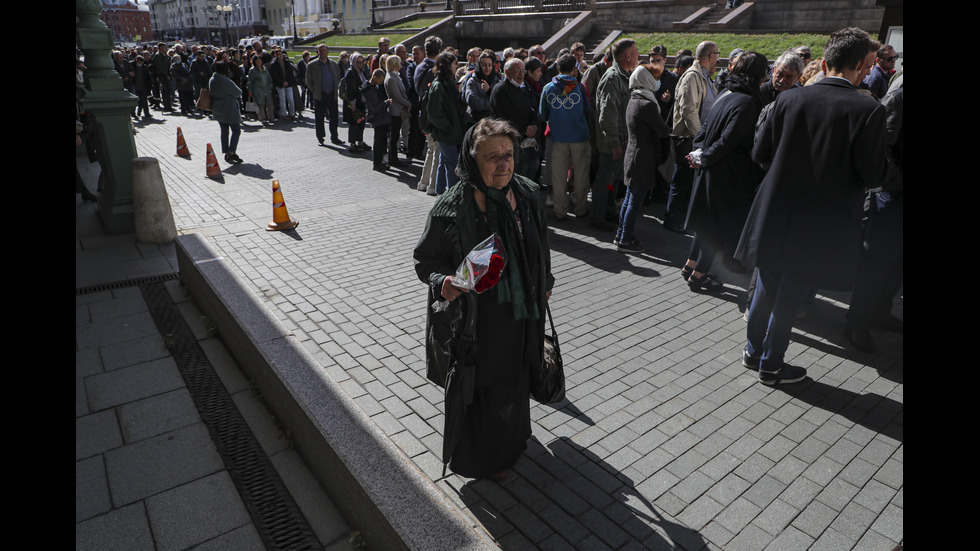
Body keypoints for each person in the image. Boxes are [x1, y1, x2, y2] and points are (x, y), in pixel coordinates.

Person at [735, 27, 886, 385]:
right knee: (790, 291)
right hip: (819, 219)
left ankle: (753, 351)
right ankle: (771, 365)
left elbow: (760, 154)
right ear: (864, 66)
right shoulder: (868, 110)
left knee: (768, 283)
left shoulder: (787, 99)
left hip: (776, 208)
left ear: (822, 62)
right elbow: (872, 174)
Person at [413, 117, 554, 481]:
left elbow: (540, 244)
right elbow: (425, 260)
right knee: (483, 389)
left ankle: (515, 440)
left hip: (522, 312)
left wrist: (546, 279)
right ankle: (482, 461)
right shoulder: (452, 206)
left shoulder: (525, 193)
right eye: (493, 157)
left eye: (509, 154)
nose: (504, 163)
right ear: (473, 159)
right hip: (478, 322)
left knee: (516, 378)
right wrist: (441, 280)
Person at [681, 51, 769, 290]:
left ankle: (691, 264)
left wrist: (697, 154)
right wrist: (704, 157)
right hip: (727, 174)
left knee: (706, 224)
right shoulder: (748, 102)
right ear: (759, 76)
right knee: (716, 227)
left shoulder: (727, 94)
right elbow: (729, 141)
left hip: (710, 169)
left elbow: (705, 129)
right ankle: (699, 275)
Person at [843, 85, 903, 353]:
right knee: (877, 262)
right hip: (893, 197)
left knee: (898, 263)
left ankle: (879, 311)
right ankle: (856, 322)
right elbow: (881, 147)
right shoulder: (899, 98)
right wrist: (898, 182)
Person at [612, 63, 672, 253]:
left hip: (633, 155)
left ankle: (621, 234)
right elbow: (662, 130)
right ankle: (625, 240)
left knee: (630, 198)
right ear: (645, 79)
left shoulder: (635, 98)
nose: (656, 81)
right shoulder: (646, 104)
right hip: (642, 158)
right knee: (634, 202)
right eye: (653, 77)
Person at [665, 41, 720, 233]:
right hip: (689, 138)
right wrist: (699, 140)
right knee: (682, 180)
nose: (718, 61)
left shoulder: (704, 77)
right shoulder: (692, 76)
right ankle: (673, 219)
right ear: (711, 56)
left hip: (696, 138)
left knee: (688, 180)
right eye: (717, 56)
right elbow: (689, 111)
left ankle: (682, 218)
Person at [592, 38, 640, 232]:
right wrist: (614, 143)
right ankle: (597, 216)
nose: (639, 56)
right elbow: (607, 115)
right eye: (636, 52)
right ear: (627, 56)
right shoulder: (613, 77)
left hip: (620, 140)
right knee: (605, 181)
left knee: (613, 180)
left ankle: (609, 211)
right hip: (612, 143)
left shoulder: (623, 75)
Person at [539, 53, 591, 220]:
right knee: (581, 175)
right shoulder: (580, 88)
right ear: (574, 69)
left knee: (558, 176)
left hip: (557, 137)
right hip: (580, 137)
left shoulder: (548, 88)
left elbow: (542, 114)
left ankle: (560, 211)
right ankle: (581, 209)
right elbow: (588, 112)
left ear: (557, 67)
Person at [490, 58, 539, 180]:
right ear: (507, 72)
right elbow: (505, 117)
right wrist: (524, 130)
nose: (521, 74)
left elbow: (529, 110)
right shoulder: (500, 90)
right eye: (517, 70)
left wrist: (534, 125)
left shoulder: (521, 90)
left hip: (525, 142)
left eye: (523, 70)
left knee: (527, 177)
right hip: (509, 143)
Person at [426, 52, 465, 194]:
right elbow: (434, 114)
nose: (457, 66)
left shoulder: (449, 83)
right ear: (447, 66)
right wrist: (448, 128)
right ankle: (451, 198)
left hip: (450, 132)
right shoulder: (439, 86)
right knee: (452, 166)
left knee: (443, 164)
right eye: (455, 63)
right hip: (446, 133)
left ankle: (440, 194)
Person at [415, 36, 443, 194]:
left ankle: (423, 182)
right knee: (436, 150)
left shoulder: (419, 66)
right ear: (439, 51)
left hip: (422, 112)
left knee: (431, 149)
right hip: (431, 114)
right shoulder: (434, 70)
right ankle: (432, 185)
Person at [306, 44, 344, 146]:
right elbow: (308, 81)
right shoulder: (312, 65)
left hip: (332, 94)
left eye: (324, 50)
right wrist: (314, 91)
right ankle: (320, 138)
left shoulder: (333, 64)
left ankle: (334, 137)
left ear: (327, 51)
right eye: (320, 50)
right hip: (319, 95)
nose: (322, 52)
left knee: (334, 117)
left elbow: (338, 77)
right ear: (317, 52)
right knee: (319, 118)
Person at [209, 61, 244, 164]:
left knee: (224, 131)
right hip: (229, 109)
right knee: (236, 130)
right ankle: (232, 151)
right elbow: (238, 92)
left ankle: (226, 152)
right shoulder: (226, 81)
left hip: (218, 109)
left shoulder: (212, 79)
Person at [362, 68, 394, 171]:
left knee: (381, 140)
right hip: (378, 118)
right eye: (380, 81)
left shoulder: (371, 88)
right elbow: (376, 107)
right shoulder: (370, 90)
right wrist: (386, 103)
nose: (381, 83)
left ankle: (379, 162)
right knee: (379, 141)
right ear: (375, 77)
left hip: (380, 118)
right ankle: (377, 163)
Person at [384, 55, 410, 166]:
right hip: (395, 110)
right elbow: (397, 96)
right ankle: (393, 159)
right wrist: (408, 104)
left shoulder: (395, 76)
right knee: (394, 137)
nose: (400, 65)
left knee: (395, 136)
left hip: (399, 108)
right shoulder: (390, 78)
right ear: (394, 64)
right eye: (399, 63)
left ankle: (393, 158)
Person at [464, 51, 501, 127]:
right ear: (479, 65)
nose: (487, 68)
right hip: (475, 122)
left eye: (490, 65)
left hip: (493, 123)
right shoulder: (472, 81)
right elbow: (473, 101)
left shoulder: (497, 81)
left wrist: (489, 91)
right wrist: (493, 104)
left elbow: (502, 100)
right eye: (484, 65)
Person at [343, 53, 371, 152]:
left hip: (361, 100)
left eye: (362, 62)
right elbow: (350, 90)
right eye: (358, 62)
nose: (360, 64)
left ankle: (360, 141)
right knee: (354, 123)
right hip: (353, 102)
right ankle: (352, 144)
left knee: (361, 122)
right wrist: (353, 103)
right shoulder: (350, 72)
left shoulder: (361, 71)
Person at [270, 49, 299, 120]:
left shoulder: (287, 63)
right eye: (278, 54)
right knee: (282, 99)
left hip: (288, 83)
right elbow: (275, 76)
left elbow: (290, 74)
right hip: (280, 84)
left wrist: (288, 82)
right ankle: (284, 113)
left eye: (281, 54)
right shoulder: (274, 64)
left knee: (290, 99)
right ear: (276, 55)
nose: (280, 56)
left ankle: (292, 113)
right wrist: (282, 82)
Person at [247, 54, 275, 124]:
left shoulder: (265, 69)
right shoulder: (252, 70)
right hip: (258, 90)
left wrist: (270, 86)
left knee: (269, 103)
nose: (259, 62)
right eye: (257, 61)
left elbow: (269, 78)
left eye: (260, 61)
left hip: (267, 89)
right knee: (260, 104)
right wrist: (250, 90)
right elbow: (250, 81)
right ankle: (262, 118)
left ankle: (271, 117)